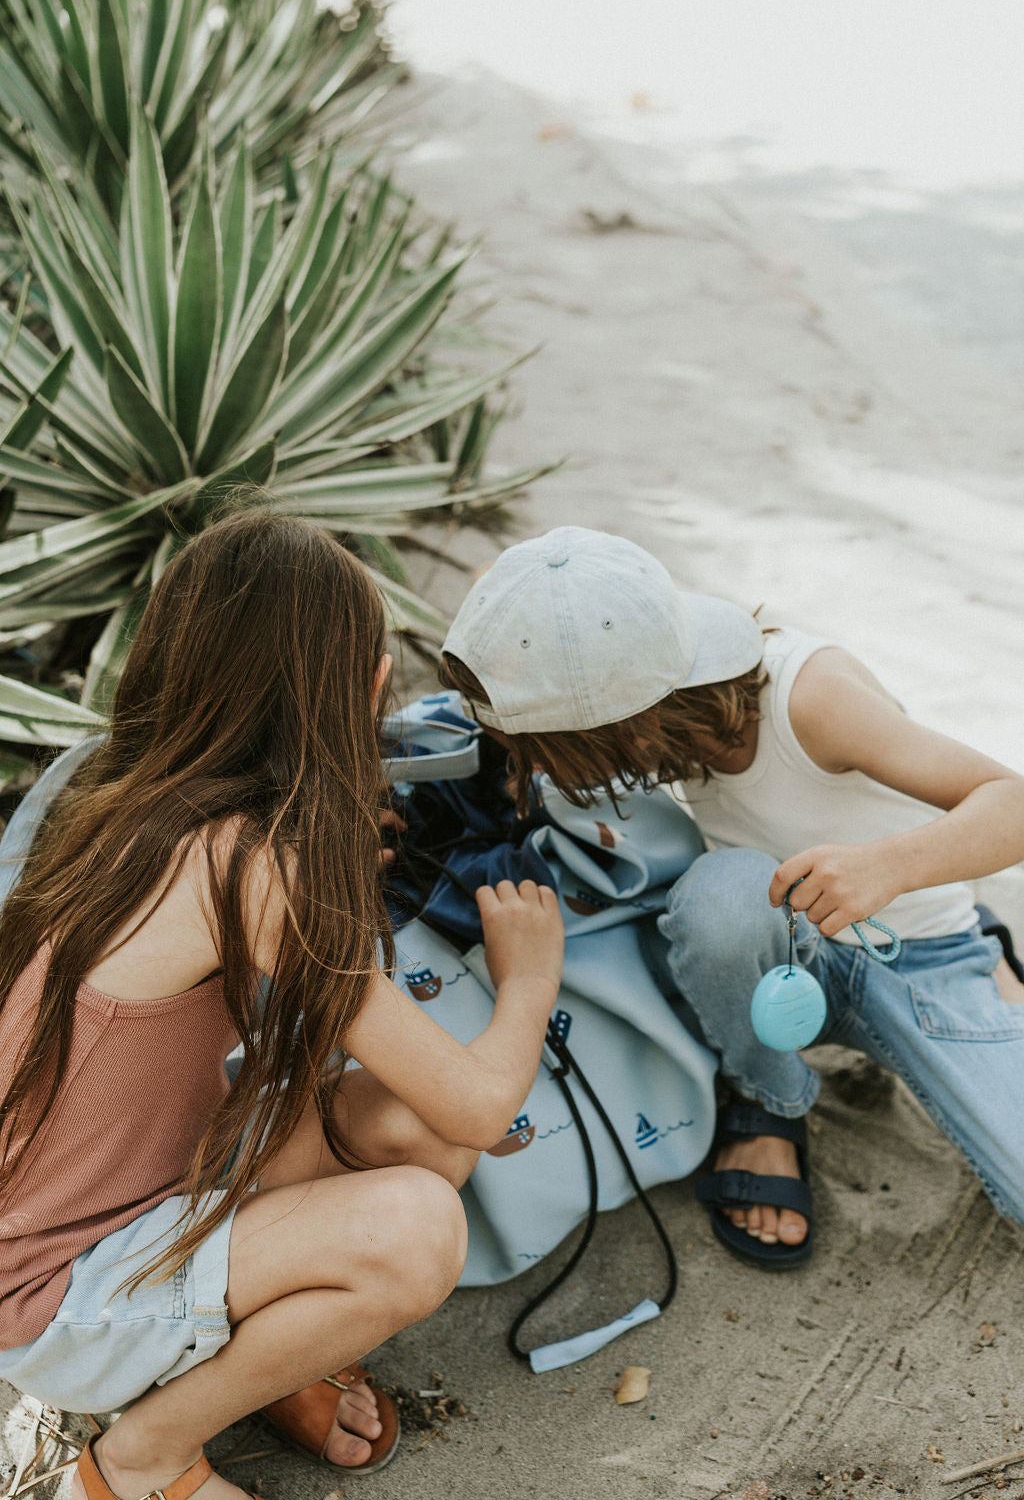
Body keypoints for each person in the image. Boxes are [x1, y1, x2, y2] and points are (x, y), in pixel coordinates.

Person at [0, 512, 564, 1500]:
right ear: (352, 689)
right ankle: (140, 1462)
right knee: (420, 1222)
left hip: (83, 1196)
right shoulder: (254, 865)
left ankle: (259, 1361)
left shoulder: (107, 785)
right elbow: (478, 1103)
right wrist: (529, 977)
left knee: (401, 1125)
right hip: (48, 1294)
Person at [438, 525, 1024, 1269]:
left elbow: (1012, 801)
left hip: (912, 951)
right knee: (723, 896)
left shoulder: (809, 698)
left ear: (619, 725)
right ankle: (769, 1102)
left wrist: (887, 866)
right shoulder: (643, 684)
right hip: (773, 956)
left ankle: (988, 945)